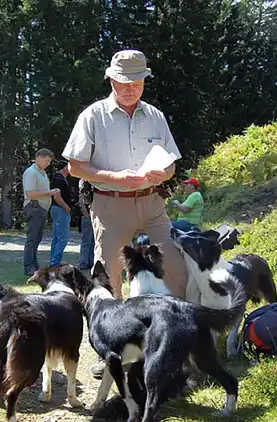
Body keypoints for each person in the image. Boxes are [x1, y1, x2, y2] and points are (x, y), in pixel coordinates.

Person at [61, 49, 189, 378]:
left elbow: (171, 161)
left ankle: (172, 342)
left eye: (137, 81)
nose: (130, 87)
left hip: (151, 203)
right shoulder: (92, 116)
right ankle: (110, 351)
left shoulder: (155, 116)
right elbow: (75, 166)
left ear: (145, 80)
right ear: (111, 80)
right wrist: (116, 178)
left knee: (175, 265)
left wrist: (166, 173)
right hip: (110, 203)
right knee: (108, 279)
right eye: (123, 82)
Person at [22, 148, 60, 276]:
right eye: (47, 161)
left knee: (37, 238)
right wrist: (50, 192)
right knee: (32, 238)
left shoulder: (42, 173)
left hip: (41, 208)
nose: (48, 164)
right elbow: (30, 193)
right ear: (40, 157)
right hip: (34, 207)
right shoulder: (31, 172)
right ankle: (28, 266)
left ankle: (34, 265)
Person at [48, 160, 74, 267]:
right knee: (63, 238)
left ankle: (53, 261)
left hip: (56, 209)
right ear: (64, 168)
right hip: (60, 209)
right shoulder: (60, 180)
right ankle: (55, 262)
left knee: (56, 237)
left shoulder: (57, 178)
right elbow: (56, 196)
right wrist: (66, 207)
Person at [77, 179, 95, 270]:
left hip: (94, 215)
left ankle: (90, 262)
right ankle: (83, 262)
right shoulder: (83, 182)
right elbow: (81, 200)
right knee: (86, 241)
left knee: (93, 241)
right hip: (87, 216)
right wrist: (86, 214)